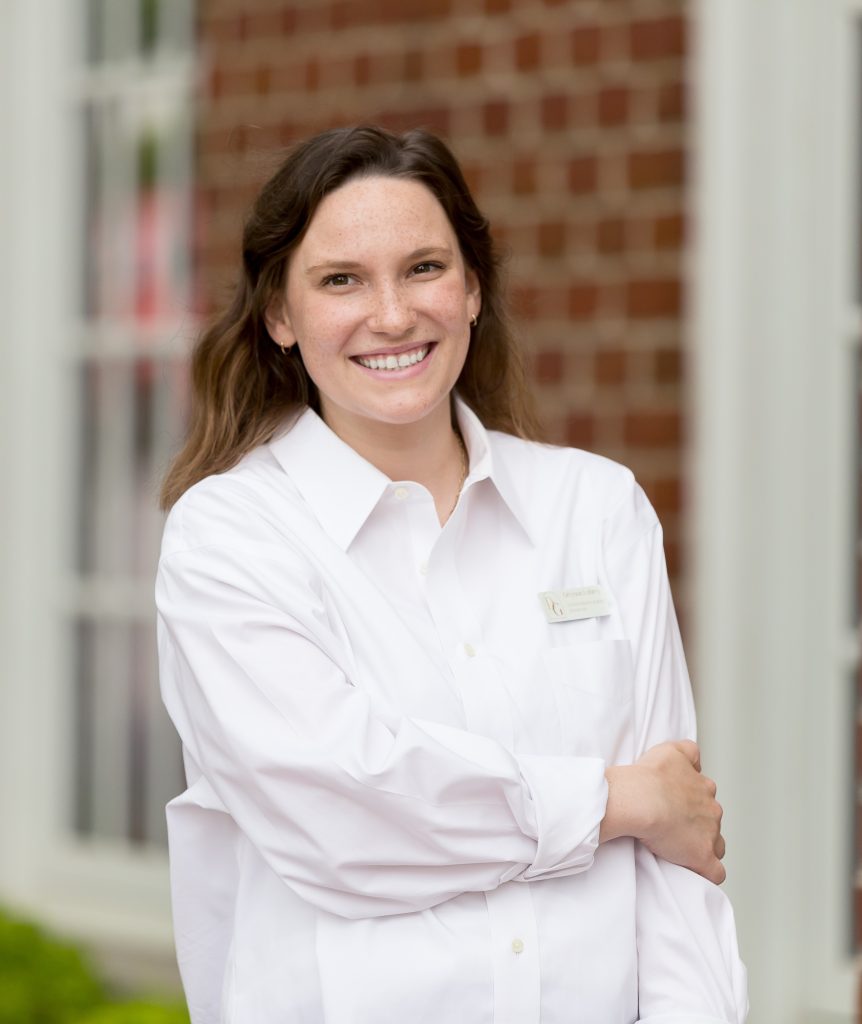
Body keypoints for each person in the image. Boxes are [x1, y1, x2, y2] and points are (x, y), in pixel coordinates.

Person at [156, 124, 747, 1024]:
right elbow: (344, 817)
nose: (392, 315)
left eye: (425, 267)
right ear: (279, 315)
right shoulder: (232, 539)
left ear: (474, 289)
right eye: (341, 280)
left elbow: (676, 866)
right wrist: (613, 801)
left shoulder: (598, 510)